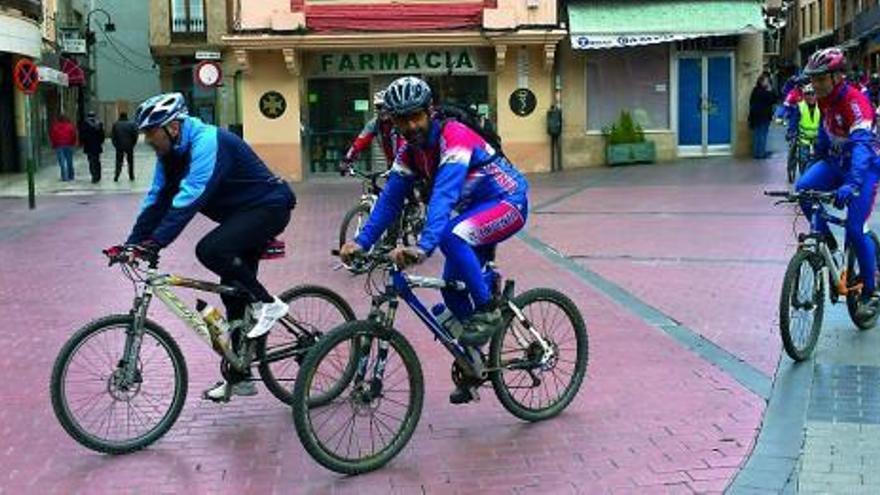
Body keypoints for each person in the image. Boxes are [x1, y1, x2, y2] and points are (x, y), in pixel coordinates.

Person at [338, 76, 529, 404]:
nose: (411, 125)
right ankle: (476, 363)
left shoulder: (454, 136)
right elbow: (389, 201)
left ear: (430, 110)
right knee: (452, 294)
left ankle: (488, 309)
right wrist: (363, 241)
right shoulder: (410, 152)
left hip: (508, 201)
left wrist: (424, 246)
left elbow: (443, 194)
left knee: (450, 237)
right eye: (402, 119)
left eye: (416, 116)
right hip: (475, 212)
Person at [111, 92, 297, 401]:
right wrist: (131, 244)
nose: (147, 140)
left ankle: (269, 303)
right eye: (144, 133)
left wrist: (155, 244)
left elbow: (189, 197)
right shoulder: (169, 157)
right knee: (233, 297)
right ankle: (240, 376)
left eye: (151, 132)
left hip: (269, 208)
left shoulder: (209, 141)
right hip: (241, 217)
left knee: (210, 250)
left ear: (173, 127)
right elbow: (156, 200)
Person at [795, 47, 880, 319]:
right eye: (813, 79)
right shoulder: (824, 99)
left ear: (837, 78)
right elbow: (825, 132)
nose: (815, 85)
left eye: (820, 79)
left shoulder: (856, 104)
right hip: (835, 163)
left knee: (855, 228)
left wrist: (853, 184)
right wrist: (815, 159)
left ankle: (871, 291)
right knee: (803, 191)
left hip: (863, 169)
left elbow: (862, 149)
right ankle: (827, 244)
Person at [340, 90, 400, 172]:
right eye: (379, 107)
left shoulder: (401, 122)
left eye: (386, 107)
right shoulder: (374, 124)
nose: (383, 110)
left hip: (408, 163)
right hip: (392, 164)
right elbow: (359, 142)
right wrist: (347, 159)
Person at [791, 84, 821, 165]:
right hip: (803, 138)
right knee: (804, 160)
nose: (811, 97)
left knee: (819, 160)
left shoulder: (821, 106)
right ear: (804, 96)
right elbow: (794, 121)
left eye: (813, 94)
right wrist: (791, 131)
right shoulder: (800, 106)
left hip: (817, 138)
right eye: (808, 94)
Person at [749, 72, 776, 159]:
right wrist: (770, 89)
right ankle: (761, 153)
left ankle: (757, 153)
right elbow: (773, 99)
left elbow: (751, 102)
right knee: (762, 134)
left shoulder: (755, 90)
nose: (767, 83)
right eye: (766, 81)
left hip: (755, 116)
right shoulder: (765, 92)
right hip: (763, 116)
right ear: (762, 82)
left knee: (757, 135)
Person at [111, 112, 139, 181]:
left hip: (119, 146)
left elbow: (113, 136)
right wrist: (133, 144)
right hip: (129, 145)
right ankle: (131, 175)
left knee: (118, 162)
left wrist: (115, 145)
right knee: (130, 162)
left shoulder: (116, 124)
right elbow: (135, 135)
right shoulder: (132, 124)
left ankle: (116, 176)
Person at [79, 111, 106, 183]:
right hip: (97, 147)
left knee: (91, 162)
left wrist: (83, 142)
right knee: (97, 161)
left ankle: (94, 176)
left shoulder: (85, 124)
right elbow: (102, 136)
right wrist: (100, 142)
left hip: (89, 146)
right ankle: (98, 175)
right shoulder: (99, 124)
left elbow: (82, 136)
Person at [49, 114, 77, 181]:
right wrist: (73, 143)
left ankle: (64, 176)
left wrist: (54, 144)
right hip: (68, 145)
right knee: (69, 161)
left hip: (59, 145)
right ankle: (71, 175)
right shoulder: (70, 126)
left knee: (62, 162)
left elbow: (53, 136)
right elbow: (73, 135)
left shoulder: (55, 127)